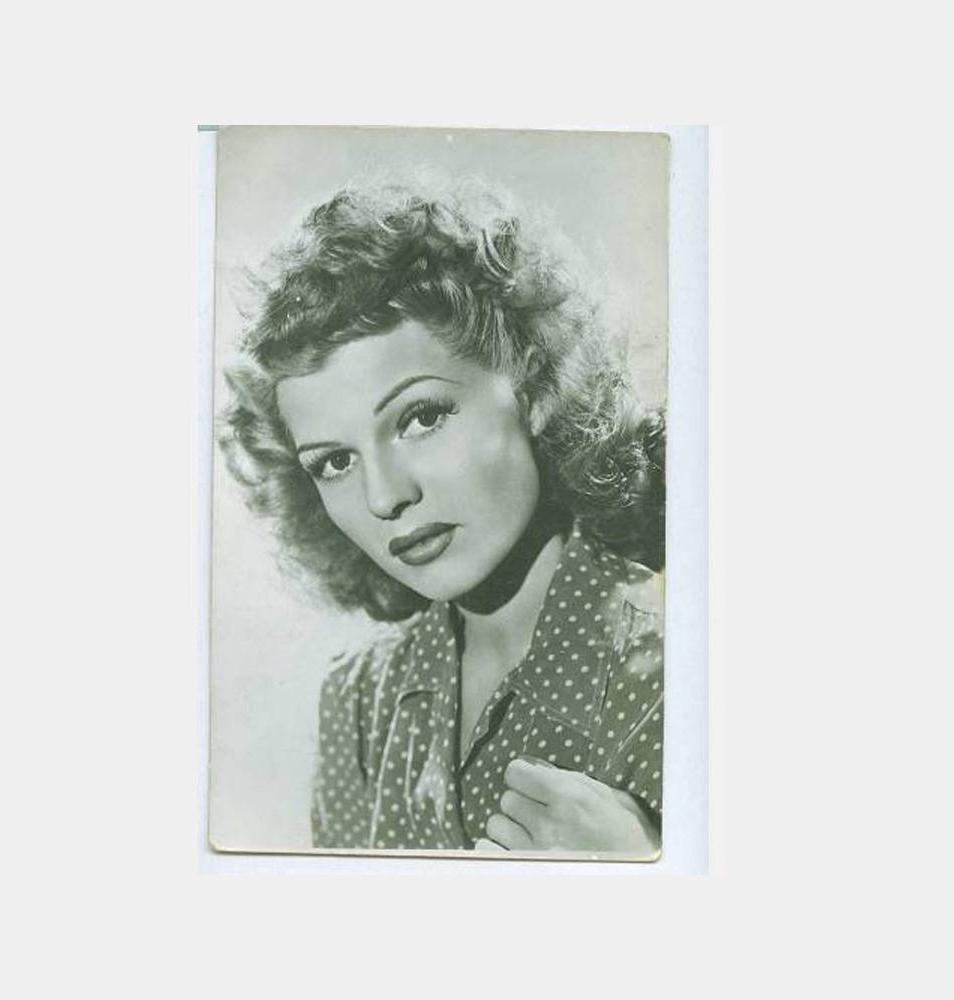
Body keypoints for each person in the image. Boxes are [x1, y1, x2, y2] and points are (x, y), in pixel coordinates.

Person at [220, 181, 666, 856]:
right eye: (334, 462)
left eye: (421, 418)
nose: (384, 497)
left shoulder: (678, 669)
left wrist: (645, 864)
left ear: (534, 387)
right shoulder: (359, 701)